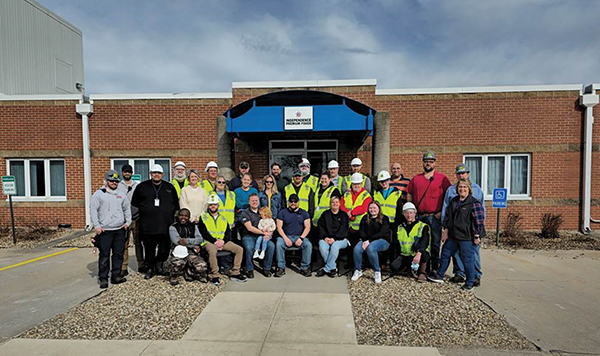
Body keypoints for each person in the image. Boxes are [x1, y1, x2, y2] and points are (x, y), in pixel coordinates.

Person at [429, 180, 484, 291]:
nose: (462, 189)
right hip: (453, 236)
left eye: (464, 187)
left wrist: (476, 235)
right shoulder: (454, 201)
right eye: (460, 187)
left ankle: (470, 282)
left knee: (467, 260)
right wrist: (446, 231)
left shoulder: (474, 203)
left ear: (469, 189)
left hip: (466, 237)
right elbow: (448, 218)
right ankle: (439, 275)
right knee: (445, 254)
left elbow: (478, 221)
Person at [131, 164, 180, 280]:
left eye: (158, 173)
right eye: (154, 173)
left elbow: (176, 206)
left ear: (162, 174)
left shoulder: (169, 187)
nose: (156, 175)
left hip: (165, 225)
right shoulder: (142, 187)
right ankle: (150, 268)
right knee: (149, 248)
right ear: (150, 174)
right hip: (147, 225)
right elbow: (134, 204)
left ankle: (159, 265)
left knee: (164, 248)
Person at [406, 151, 451, 273]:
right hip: (419, 216)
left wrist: (441, 211)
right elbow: (409, 194)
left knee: (435, 242)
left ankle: (434, 267)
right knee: (418, 241)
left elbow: (449, 196)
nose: (428, 163)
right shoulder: (416, 179)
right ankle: (419, 267)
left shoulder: (442, 179)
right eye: (426, 161)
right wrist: (412, 211)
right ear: (423, 162)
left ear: (434, 163)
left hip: (434, 216)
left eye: (431, 161)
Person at [441, 164, 486, 286]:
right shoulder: (451, 190)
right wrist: (445, 228)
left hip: (471, 229)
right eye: (459, 173)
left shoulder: (477, 189)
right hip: (456, 229)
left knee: (472, 254)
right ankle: (460, 273)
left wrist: (478, 231)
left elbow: (481, 210)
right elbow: (446, 209)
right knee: (456, 252)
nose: (461, 175)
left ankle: (476, 276)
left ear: (468, 174)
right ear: (456, 175)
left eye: (464, 173)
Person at [90, 170, 132, 289]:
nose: (114, 183)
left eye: (116, 181)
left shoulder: (121, 194)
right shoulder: (99, 194)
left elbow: (126, 209)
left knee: (118, 254)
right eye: (111, 181)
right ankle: (103, 278)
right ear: (106, 181)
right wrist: (97, 226)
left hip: (119, 229)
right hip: (105, 230)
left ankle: (116, 276)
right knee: (104, 255)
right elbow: (93, 210)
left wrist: (127, 222)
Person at [198, 194, 246, 285]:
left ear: (218, 205)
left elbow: (228, 233)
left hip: (222, 241)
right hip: (209, 242)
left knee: (239, 249)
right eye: (211, 204)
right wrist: (215, 242)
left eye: (215, 204)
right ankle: (215, 275)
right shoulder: (203, 217)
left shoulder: (223, 218)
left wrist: (223, 241)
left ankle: (235, 272)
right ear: (208, 206)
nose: (213, 206)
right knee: (212, 251)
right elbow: (203, 233)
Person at [351, 201, 390, 284]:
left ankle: (377, 271)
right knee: (357, 249)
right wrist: (365, 240)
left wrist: (369, 241)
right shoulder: (365, 218)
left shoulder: (384, 218)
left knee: (371, 248)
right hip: (366, 240)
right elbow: (361, 231)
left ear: (379, 209)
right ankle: (358, 270)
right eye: (370, 208)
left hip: (382, 240)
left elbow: (382, 233)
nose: (372, 210)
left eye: (374, 208)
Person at [166, 208, 208, 286]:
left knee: (202, 266)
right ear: (178, 216)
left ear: (189, 217)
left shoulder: (193, 226)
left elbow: (200, 239)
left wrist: (188, 241)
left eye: (186, 216)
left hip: (191, 251)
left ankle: (189, 272)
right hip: (178, 252)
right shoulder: (173, 227)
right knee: (177, 264)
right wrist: (194, 243)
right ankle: (174, 276)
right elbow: (176, 241)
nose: (183, 218)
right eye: (181, 215)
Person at [390, 202, 430, 282]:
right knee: (394, 266)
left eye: (411, 213)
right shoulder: (400, 227)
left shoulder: (423, 226)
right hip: (404, 255)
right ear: (403, 214)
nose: (409, 215)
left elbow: (424, 242)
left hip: (417, 255)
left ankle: (422, 273)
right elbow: (396, 244)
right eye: (406, 213)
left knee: (424, 254)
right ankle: (407, 269)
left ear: (415, 213)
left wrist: (418, 254)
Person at [275, 194, 312, 277]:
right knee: (279, 243)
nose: (293, 203)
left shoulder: (304, 213)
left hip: (299, 236)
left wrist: (301, 238)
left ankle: (304, 268)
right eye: (291, 201)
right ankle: (281, 267)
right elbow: (279, 227)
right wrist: (285, 238)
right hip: (285, 236)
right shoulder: (282, 212)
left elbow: (308, 227)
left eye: (295, 201)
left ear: (298, 202)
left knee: (308, 245)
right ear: (288, 202)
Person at [241, 193, 275, 278]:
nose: (255, 202)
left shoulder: (263, 211)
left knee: (271, 246)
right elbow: (249, 228)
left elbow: (271, 224)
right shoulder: (245, 213)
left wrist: (269, 234)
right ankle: (249, 269)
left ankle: (267, 268)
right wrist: (263, 233)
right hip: (249, 236)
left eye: (256, 200)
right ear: (249, 202)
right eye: (252, 201)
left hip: (263, 236)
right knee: (249, 247)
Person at [117, 164, 143, 275]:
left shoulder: (137, 185)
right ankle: (124, 267)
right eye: (125, 172)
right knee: (124, 244)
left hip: (136, 218)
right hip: (123, 220)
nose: (127, 174)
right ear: (122, 173)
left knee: (138, 243)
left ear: (132, 173)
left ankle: (141, 264)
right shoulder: (118, 186)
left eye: (129, 172)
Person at [316, 196, 349, 277]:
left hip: (341, 239)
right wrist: (325, 238)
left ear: (339, 204)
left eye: (336, 202)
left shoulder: (343, 215)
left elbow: (344, 229)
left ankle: (326, 268)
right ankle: (333, 268)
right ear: (330, 204)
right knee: (322, 246)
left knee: (335, 246)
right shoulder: (325, 214)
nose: (335, 204)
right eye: (333, 202)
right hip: (326, 238)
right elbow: (320, 227)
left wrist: (334, 238)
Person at [340, 173, 372, 244]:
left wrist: (352, 213)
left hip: (361, 229)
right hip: (348, 228)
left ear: (361, 184)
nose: (356, 186)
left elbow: (364, 208)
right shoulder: (346, 194)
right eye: (354, 184)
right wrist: (347, 212)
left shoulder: (366, 195)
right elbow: (341, 205)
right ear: (351, 184)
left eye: (358, 184)